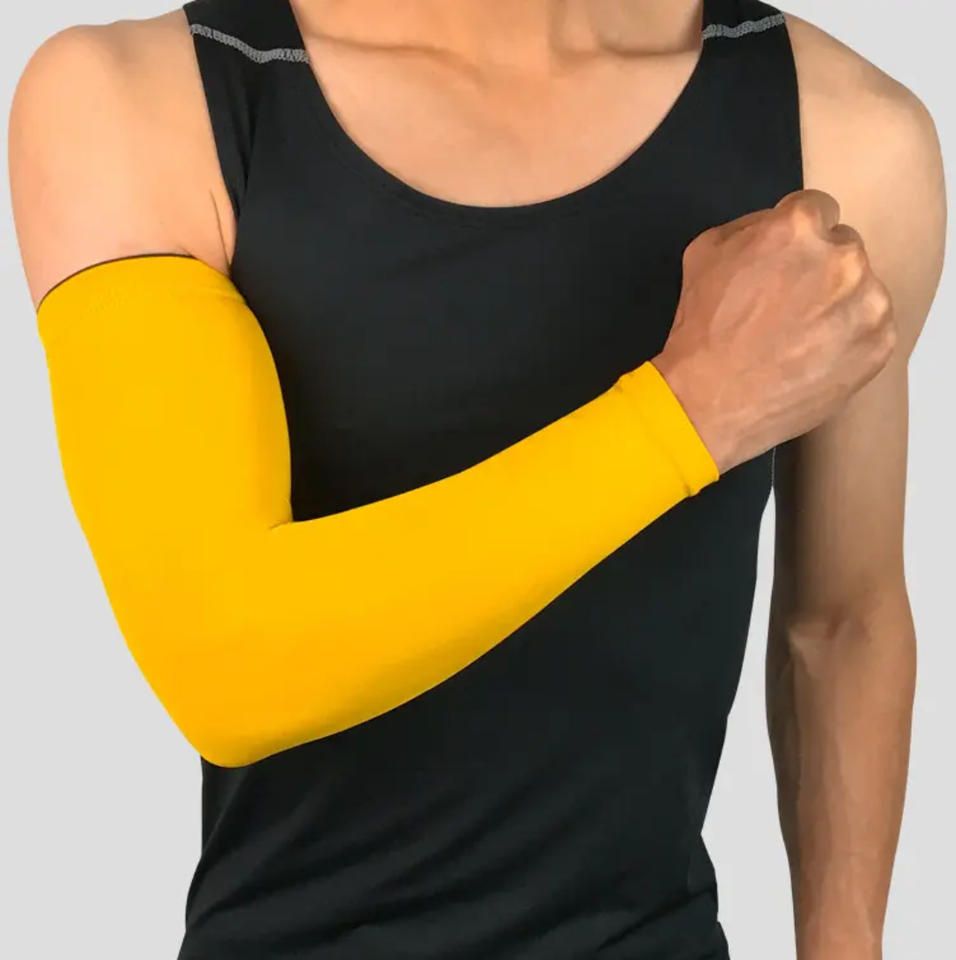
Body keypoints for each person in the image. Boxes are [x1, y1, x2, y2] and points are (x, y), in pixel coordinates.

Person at [8, 0, 945, 957]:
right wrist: (690, 411)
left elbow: (841, 622)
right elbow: (226, 659)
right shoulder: (146, 103)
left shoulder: (843, 134)